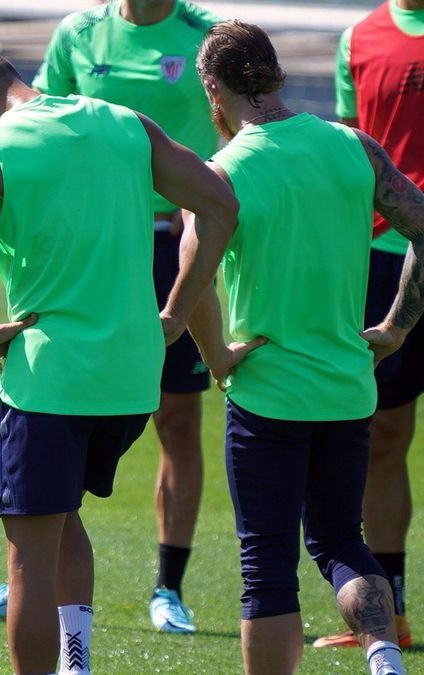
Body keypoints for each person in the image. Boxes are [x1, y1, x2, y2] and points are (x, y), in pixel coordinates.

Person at [0, 50, 238, 675]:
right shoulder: (125, 123)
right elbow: (220, 205)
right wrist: (176, 310)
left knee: (27, 561)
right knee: (64, 517)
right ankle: (77, 665)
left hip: (50, 380)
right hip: (131, 381)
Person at [161, 19, 424, 675]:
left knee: (267, 567)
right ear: (276, 73)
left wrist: (219, 357)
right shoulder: (354, 147)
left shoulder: (219, 174)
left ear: (212, 87)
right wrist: (394, 327)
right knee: (341, 540)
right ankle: (385, 655)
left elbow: (191, 287)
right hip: (345, 387)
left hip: (268, 396)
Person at [313, 0, 424, 651]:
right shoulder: (359, 36)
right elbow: (354, 149)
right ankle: (394, 612)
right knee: (383, 434)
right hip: (383, 262)